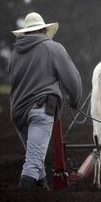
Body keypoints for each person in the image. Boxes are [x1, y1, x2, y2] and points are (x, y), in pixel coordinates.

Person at [8, 12, 82, 189]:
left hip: (18, 113)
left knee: (35, 157)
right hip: (41, 110)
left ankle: (43, 193)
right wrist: (75, 100)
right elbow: (73, 80)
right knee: (33, 163)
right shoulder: (53, 48)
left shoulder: (14, 54)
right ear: (43, 30)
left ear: (25, 32)